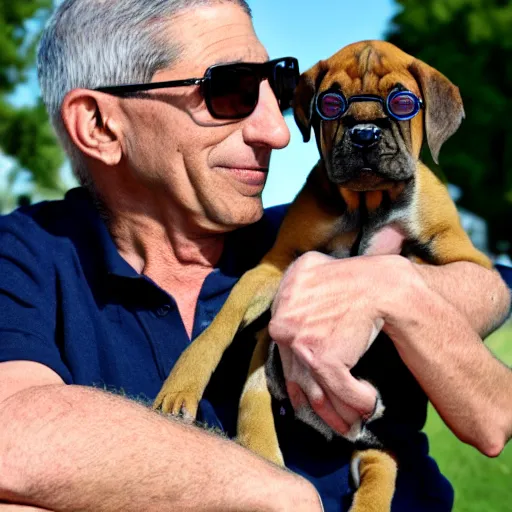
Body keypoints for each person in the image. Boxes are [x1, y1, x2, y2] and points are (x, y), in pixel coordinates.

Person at [0, 1, 510, 511]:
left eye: (279, 89)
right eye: (231, 91)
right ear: (100, 126)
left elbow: (489, 289)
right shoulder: (26, 257)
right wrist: (270, 491)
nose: (279, 132)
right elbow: (12, 430)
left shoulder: (319, 230)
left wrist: (392, 288)